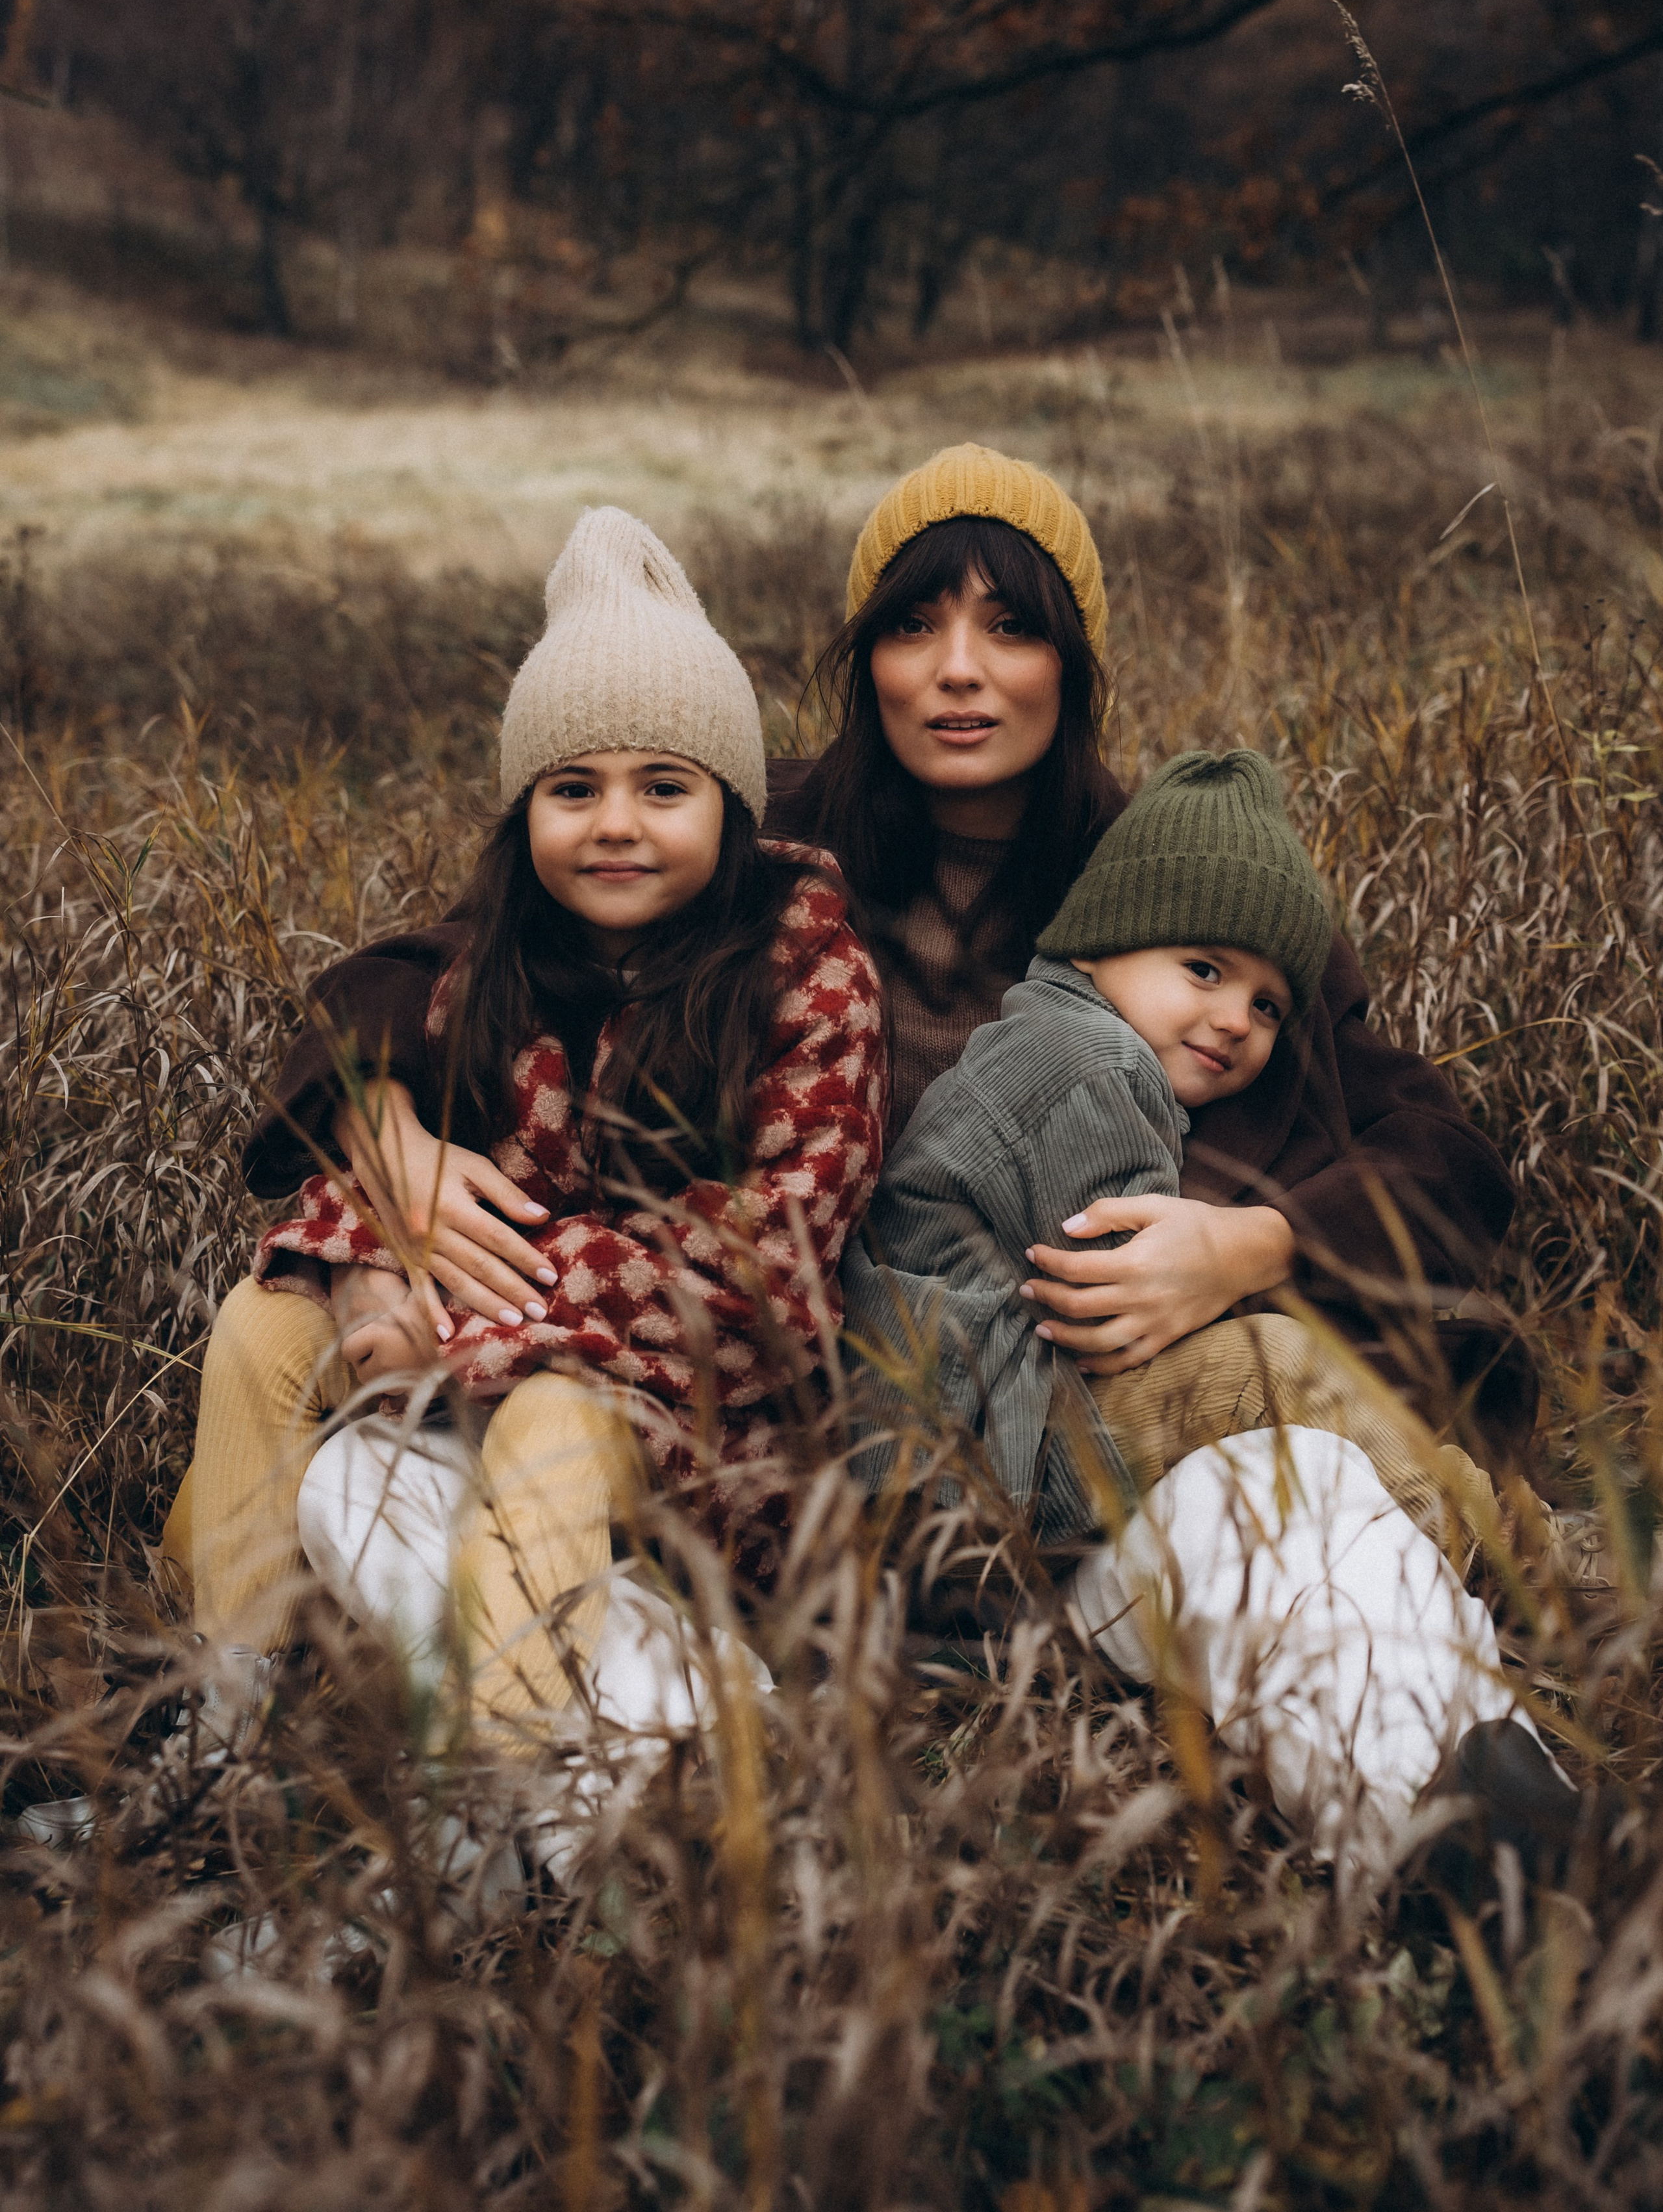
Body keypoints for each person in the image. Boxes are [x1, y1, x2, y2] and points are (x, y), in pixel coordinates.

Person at [278, 444, 1527, 1485]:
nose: (959, 670)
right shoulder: (759, 839)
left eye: (1012, 626)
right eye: (914, 626)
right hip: (767, 1403)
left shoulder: (1161, 879)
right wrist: (387, 1128)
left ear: (1071, 662)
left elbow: (1436, 1147)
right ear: (867, 656)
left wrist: (1254, 1246)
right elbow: (422, 969)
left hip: (1063, 1403)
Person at [163, 509, 886, 1749]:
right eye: (572, 789)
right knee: (263, 1324)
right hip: (509, 1354)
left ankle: (503, 1773)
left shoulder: (807, 975)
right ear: (524, 811)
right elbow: (429, 1183)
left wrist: (477, 1316)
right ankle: (229, 1715)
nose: (615, 823)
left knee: (552, 1423)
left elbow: (768, 1268)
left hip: (719, 1428)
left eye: (664, 788)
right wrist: (376, 1273)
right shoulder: (493, 968)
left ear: (733, 809)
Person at [843, 746, 1543, 1858]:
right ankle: (1486, 1545)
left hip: (986, 1424)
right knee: (1271, 1369)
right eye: (1202, 969)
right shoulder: (1088, 1066)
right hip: (990, 1439)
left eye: (1268, 1003)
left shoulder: (1066, 1039)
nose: (1235, 1021)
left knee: (1279, 1401)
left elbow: (1450, 1161)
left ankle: (1483, 1701)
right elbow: (1116, 1318)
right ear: (1102, 940)